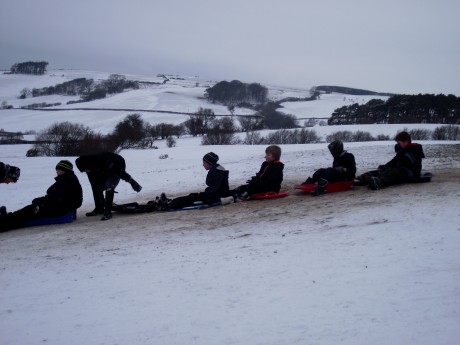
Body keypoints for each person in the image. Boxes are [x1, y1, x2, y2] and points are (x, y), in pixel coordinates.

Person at [0, 160, 83, 232]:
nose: (56, 171)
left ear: (64, 170)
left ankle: (4, 223)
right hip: (58, 208)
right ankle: (7, 218)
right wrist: (42, 200)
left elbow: (59, 200)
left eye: (58, 169)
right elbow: (57, 197)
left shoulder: (66, 181)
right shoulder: (67, 179)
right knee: (29, 209)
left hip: (58, 210)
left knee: (28, 211)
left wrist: (42, 205)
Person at [75, 152, 142, 220]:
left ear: (88, 165)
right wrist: (98, 206)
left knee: (109, 186)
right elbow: (94, 186)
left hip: (118, 164)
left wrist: (132, 182)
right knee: (96, 187)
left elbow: (119, 172)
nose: (86, 171)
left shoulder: (102, 161)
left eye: (86, 169)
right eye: (84, 171)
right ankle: (99, 208)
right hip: (102, 169)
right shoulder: (89, 169)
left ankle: (108, 212)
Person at [158, 152, 229, 210]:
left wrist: (206, 196)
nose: (203, 165)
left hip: (215, 196)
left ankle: (170, 204)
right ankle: (171, 201)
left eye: (204, 163)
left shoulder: (218, 172)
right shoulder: (216, 170)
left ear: (210, 163)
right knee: (192, 196)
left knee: (192, 198)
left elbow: (215, 189)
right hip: (215, 195)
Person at [356, 131, 425, 190]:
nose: (398, 145)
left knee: (393, 172)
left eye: (399, 143)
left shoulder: (414, 150)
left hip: (410, 172)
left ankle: (378, 182)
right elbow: (394, 160)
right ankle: (362, 178)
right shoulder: (403, 151)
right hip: (401, 169)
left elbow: (405, 161)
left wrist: (397, 160)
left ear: (405, 141)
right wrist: (385, 166)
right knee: (383, 170)